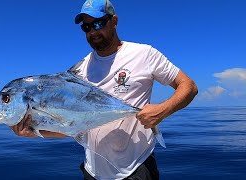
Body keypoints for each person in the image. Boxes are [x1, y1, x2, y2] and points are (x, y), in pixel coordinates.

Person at [10, 0, 198, 179]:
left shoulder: (144, 54)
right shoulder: (80, 70)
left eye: (98, 23)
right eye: (86, 27)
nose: (92, 31)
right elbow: (74, 127)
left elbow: (189, 86)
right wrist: (34, 132)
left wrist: (163, 110)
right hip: (93, 172)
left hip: (137, 169)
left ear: (114, 21)